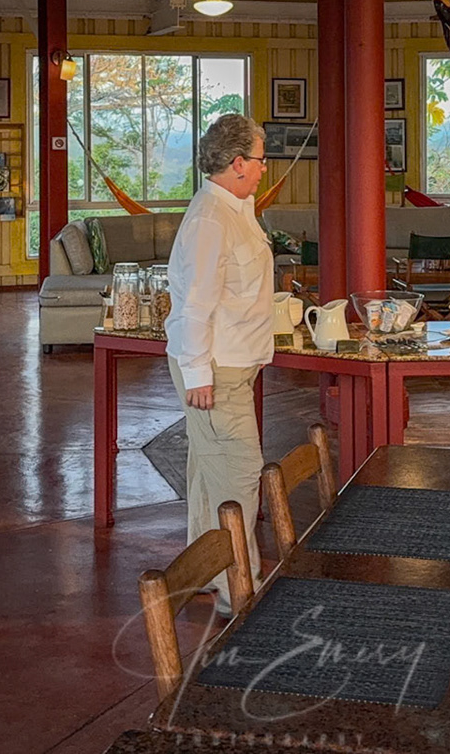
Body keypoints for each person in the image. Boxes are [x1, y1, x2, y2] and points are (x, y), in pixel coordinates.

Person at [164, 113, 274, 614]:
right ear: (237, 162)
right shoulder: (211, 218)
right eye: (260, 159)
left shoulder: (237, 207)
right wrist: (198, 375)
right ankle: (238, 589)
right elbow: (195, 304)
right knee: (239, 472)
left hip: (231, 365)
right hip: (215, 370)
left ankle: (205, 569)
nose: (264, 168)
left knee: (210, 471)